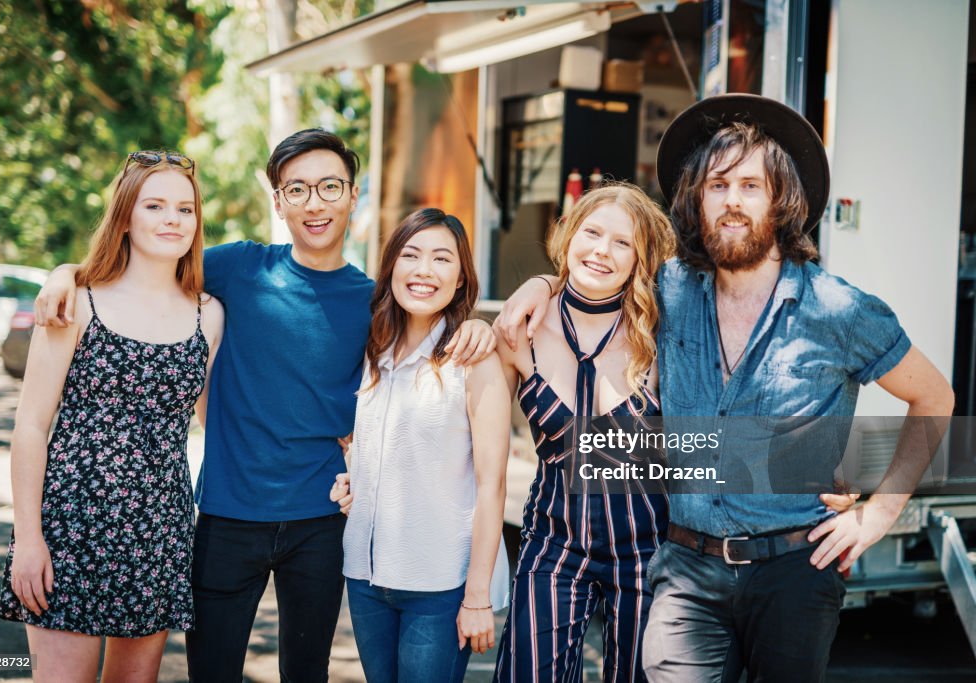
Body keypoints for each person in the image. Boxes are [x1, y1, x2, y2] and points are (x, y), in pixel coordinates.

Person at [494, 94, 954, 682]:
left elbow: (935, 398)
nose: (732, 201)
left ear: (780, 199)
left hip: (795, 568)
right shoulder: (671, 290)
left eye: (750, 185)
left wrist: (877, 513)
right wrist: (538, 285)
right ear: (697, 198)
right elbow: (598, 269)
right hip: (686, 569)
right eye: (717, 185)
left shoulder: (839, 309)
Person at [33, 129, 497, 682]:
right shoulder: (236, 267)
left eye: (330, 186)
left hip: (322, 521)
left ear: (353, 196)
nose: (315, 202)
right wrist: (67, 273)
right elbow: (144, 260)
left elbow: (431, 318)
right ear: (278, 203)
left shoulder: (376, 301)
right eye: (296, 189)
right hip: (228, 512)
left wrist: (477, 326)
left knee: (306, 672)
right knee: (212, 671)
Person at [0, 150, 225, 682]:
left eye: (185, 209)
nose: (173, 219)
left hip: (159, 531)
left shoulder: (208, 314)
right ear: (125, 216)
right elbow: (31, 426)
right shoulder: (75, 300)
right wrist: (29, 539)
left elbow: (218, 422)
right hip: (67, 527)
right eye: (155, 205)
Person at [491, 183, 674, 682]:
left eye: (623, 243)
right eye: (592, 232)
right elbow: (471, 442)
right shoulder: (517, 329)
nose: (601, 251)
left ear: (640, 259)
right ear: (569, 234)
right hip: (553, 542)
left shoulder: (662, 331)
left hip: (647, 548)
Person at [334, 208, 512, 682]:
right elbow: (374, 442)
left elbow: (491, 486)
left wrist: (477, 596)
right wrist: (354, 475)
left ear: (459, 279)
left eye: (441, 258)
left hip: (439, 583)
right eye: (411, 255)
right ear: (391, 267)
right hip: (367, 576)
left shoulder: (474, 360)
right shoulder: (373, 351)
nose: (424, 270)